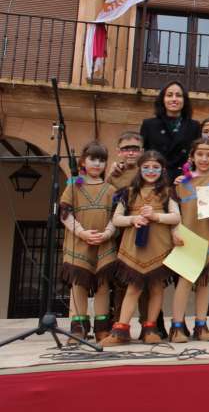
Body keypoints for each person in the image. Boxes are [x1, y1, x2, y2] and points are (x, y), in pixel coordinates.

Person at [101, 151, 181, 346]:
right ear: (140, 169)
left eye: (156, 167)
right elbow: (116, 219)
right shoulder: (128, 192)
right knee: (133, 288)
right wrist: (133, 219)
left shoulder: (168, 192)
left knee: (156, 287)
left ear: (162, 170)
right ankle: (121, 329)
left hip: (159, 245)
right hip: (134, 247)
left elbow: (176, 217)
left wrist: (156, 217)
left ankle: (150, 328)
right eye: (146, 167)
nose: (151, 171)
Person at [170, 138, 209, 342]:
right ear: (192, 157)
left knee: (205, 283)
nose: (204, 159)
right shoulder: (181, 183)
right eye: (200, 154)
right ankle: (177, 327)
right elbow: (173, 212)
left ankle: (201, 326)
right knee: (184, 282)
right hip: (187, 238)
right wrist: (174, 232)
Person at [59, 141, 117, 343]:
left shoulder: (110, 189)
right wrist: (82, 232)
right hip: (79, 243)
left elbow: (116, 216)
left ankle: (102, 328)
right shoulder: (73, 186)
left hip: (104, 243)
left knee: (102, 286)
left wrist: (108, 232)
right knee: (78, 286)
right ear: (83, 161)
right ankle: (78, 329)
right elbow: (64, 213)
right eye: (93, 159)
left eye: (102, 160)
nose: (97, 164)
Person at [139, 81, 201, 182]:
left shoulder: (194, 126)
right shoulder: (149, 124)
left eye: (178, 95)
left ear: (184, 100)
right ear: (163, 99)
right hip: (156, 179)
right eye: (169, 95)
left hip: (183, 180)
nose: (174, 99)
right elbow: (141, 155)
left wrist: (187, 177)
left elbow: (196, 157)